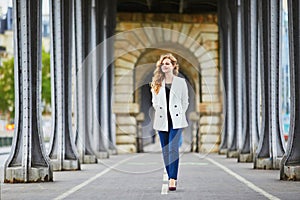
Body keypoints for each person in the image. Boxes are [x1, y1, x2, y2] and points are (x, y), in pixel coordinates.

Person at [150, 53, 189, 191]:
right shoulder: (157, 83)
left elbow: (185, 101)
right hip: (162, 121)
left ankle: (173, 179)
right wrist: (160, 110)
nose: (164, 66)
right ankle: (169, 174)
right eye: (163, 64)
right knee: (166, 151)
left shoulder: (180, 83)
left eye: (167, 63)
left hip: (176, 120)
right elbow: (154, 102)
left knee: (173, 149)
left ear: (173, 66)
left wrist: (178, 113)